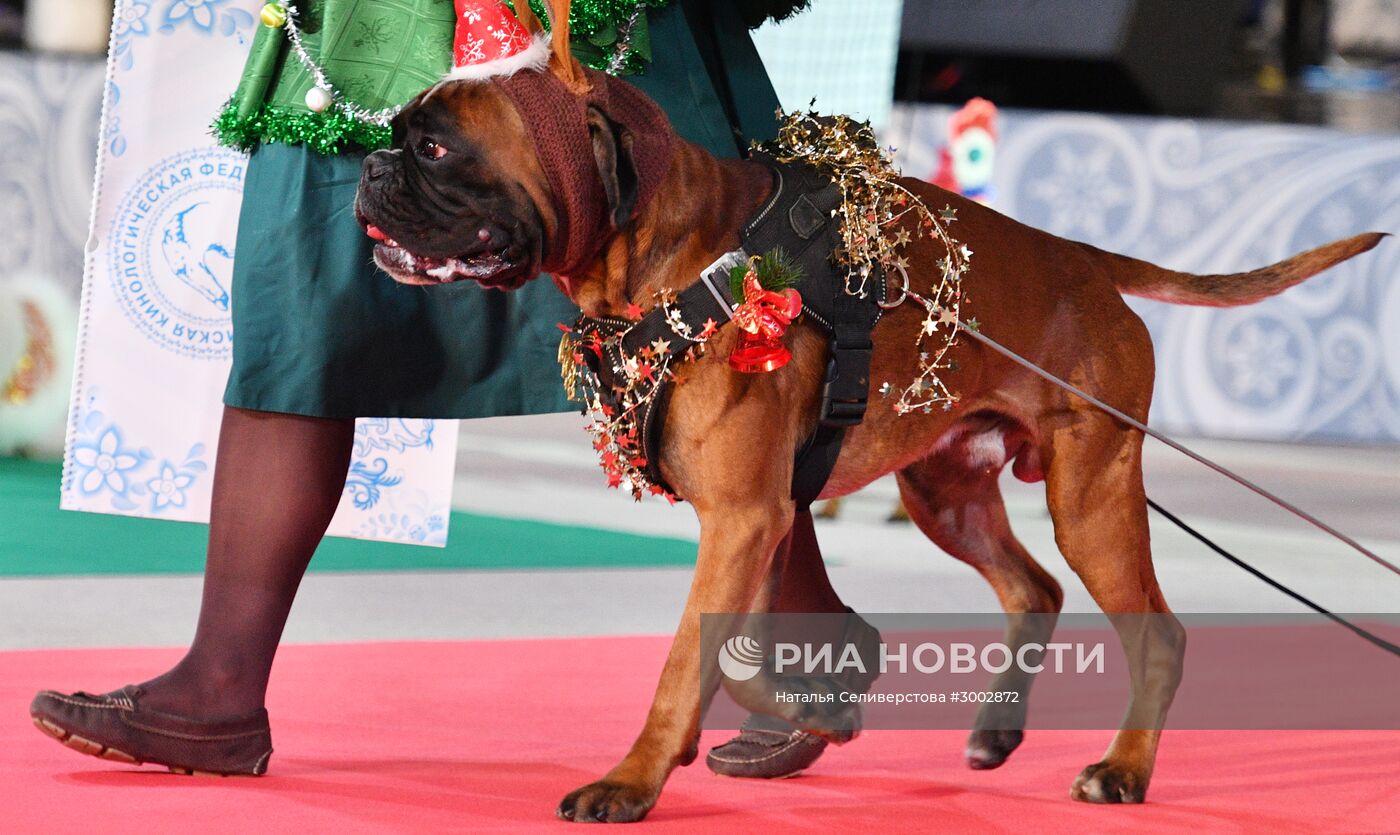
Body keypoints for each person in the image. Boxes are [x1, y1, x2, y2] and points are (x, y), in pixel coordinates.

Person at [30, 0, 870, 781]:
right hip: (379, 22)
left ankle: (807, 638)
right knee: (299, 312)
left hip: (575, 19)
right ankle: (218, 685)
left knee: (707, 318)